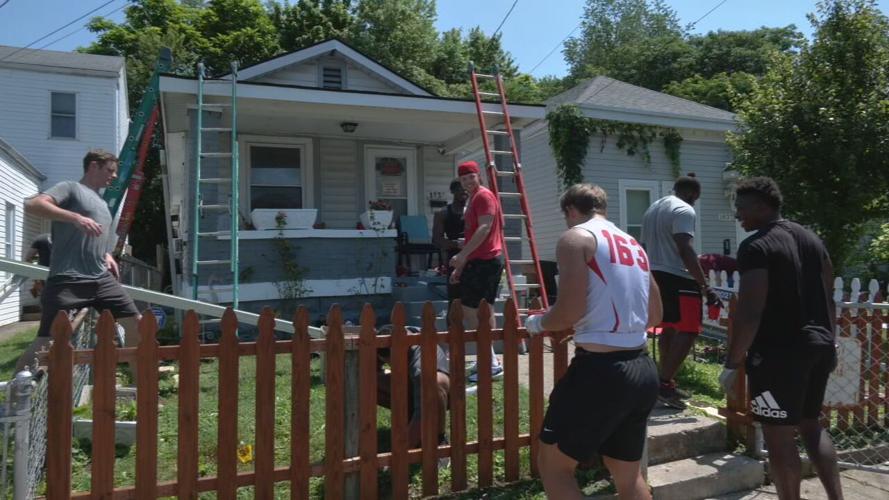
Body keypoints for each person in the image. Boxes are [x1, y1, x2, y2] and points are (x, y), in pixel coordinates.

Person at [524, 183, 662, 500]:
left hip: (600, 372)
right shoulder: (633, 244)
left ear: (570, 210)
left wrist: (536, 323)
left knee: (554, 467)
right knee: (626, 474)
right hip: (641, 369)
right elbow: (654, 315)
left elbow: (567, 312)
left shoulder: (577, 238)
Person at [720, 177, 843, 500]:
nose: (738, 216)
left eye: (742, 208)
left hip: (779, 354)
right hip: (820, 345)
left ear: (763, 207)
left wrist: (733, 362)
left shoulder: (757, 246)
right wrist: (831, 340)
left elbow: (750, 312)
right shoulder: (812, 240)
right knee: (811, 425)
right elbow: (829, 296)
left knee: (778, 437)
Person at [16, 150, 142, 374]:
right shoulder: (70, 188)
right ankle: (13, 400)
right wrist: (74, 217)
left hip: (101, 279)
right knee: (45, 342)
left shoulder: (101, 203)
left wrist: (106, 254)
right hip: (67, 279)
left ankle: (142, 387)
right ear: (94, 166)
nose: (114, 176)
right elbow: (32, 205)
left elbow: (94, 237)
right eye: (110, 171)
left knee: (136, 323)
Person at [640, 174, 720, 409]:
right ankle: (663, 384)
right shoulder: (684, 210)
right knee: (689, 330)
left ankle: (665, 382)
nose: (695, 202)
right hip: (678, 276)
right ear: (691, 194)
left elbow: (644, 246)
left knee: (669, 328)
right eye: (695, 198)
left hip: (654, 274)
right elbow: (685, 248)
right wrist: (705, 286)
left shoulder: (652, 209)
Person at [448, 161, 503, 382]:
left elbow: (485, 227)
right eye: (464, 179)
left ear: (478, 176)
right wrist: (462, 265)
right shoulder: (472, 199)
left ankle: (490, 362)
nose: (468, 181)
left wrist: (461, 256)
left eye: (471, 176)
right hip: (478, 261)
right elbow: (473, 236)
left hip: (487, 261)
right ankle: (489, 361)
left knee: (473, 309)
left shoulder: (484, 196)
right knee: (480, 309)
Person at [376, 325, 450, 450]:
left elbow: (421, 413)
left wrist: (400, 453)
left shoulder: (419, 366)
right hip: (411, 385)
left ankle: (439, 439)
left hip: (440, 394)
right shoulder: (385, 339)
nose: (391, 365)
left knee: (434, 382)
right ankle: (408, 422)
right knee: (370, 381)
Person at [431, 179, 467, 325]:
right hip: (455, 260)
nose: (464, 192)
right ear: (453, 191)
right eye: (460, 189)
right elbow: (437, 240)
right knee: (455, 300)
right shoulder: (444, 213)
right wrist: (456, 243)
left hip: (475, 259)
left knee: (475, 301)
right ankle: (452, 336)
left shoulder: (475, 211)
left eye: (466, 189)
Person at [23, 233, 52, 297]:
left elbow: (28, 258)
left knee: (46, 298)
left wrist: (36, 279)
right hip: (61, 277)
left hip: (43, 275)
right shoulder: (64, 240)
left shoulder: (41, 238)